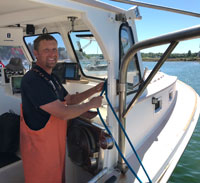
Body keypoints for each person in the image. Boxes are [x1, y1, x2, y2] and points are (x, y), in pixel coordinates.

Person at [20, 34, 104, 183]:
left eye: (54, 49)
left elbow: (70, 100)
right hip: (39, 151)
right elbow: (63, 113)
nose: (52, 54)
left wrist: (95, 90)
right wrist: (91, 104)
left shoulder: (51, 77)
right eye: (46, 50)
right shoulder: (33, 80)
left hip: (54, 147)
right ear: (36, 53)